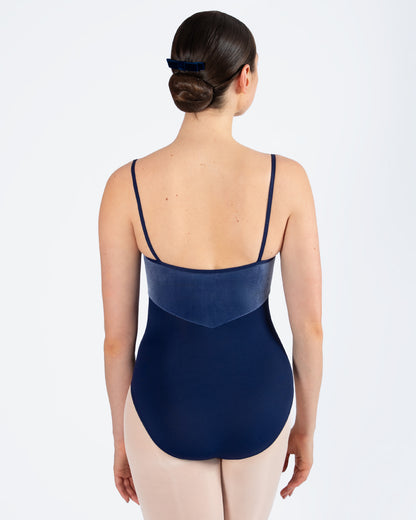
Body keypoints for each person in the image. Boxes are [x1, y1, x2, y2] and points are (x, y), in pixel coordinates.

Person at [99, 9, 323, 520]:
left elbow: (116, 340)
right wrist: (306, 428)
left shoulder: (125, 185)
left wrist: (121, 438)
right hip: (260, 399)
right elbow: (309, 328)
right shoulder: (287, 180)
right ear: (245, 76)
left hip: (165, 400)